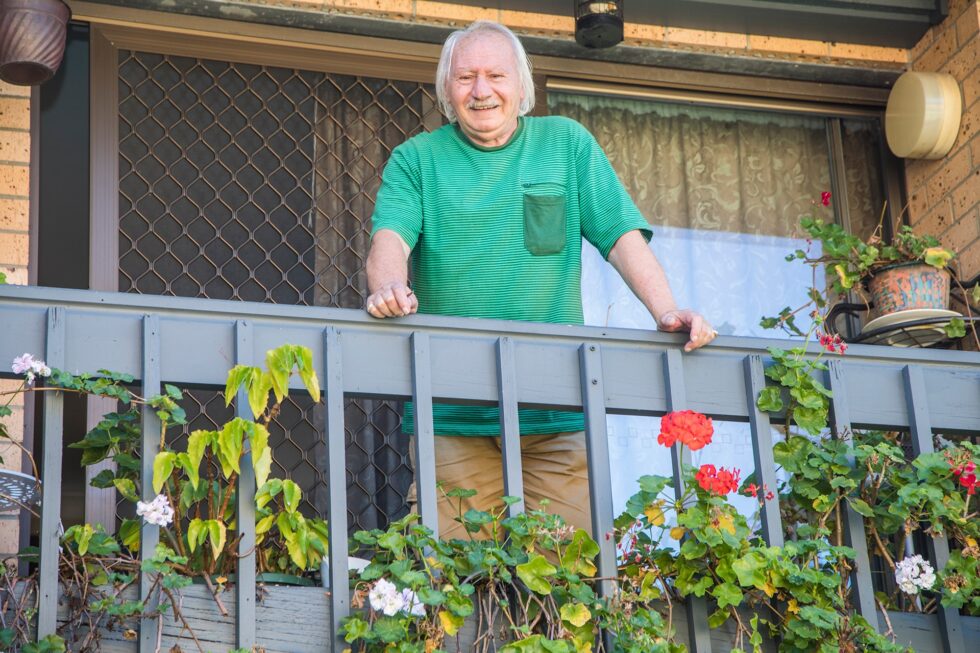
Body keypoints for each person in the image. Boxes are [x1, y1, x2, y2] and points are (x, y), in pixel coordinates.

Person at [365, 20, 716, 540]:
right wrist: (389, 286)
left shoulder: (567, 145)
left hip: (557, 415)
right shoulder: (417, 160)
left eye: (495, 75)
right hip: (454, 417)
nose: (481, 91)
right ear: (446, 90)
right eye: (465, 78)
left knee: (567, 584)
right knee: (456, 583)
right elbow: (388, 241)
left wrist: (666, 311)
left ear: (522, 86)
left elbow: (622, 239)